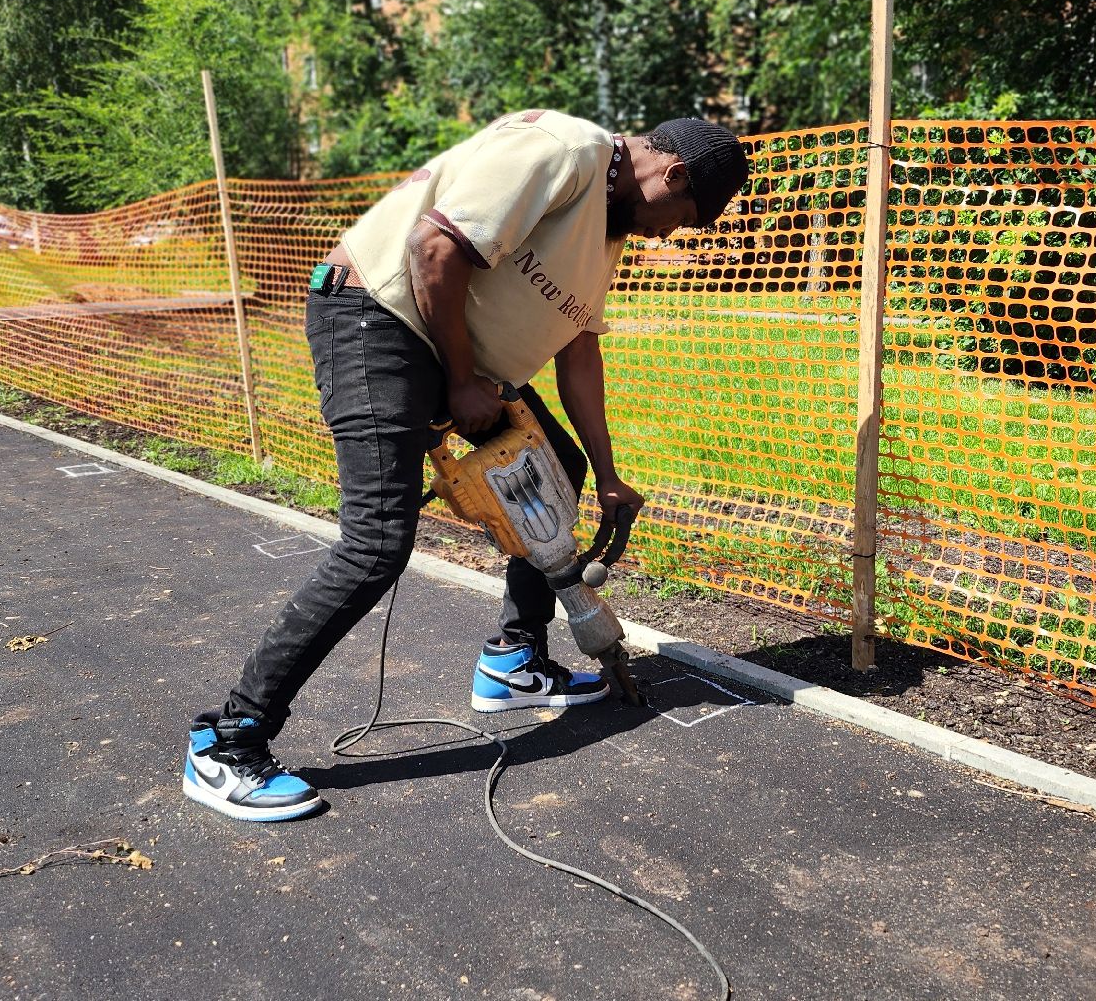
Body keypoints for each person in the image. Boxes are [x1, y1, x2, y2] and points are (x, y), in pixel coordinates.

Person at [181, 111, 749, 822]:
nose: (669, 236)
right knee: (376, 544)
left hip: (455, 352)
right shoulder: (564, 154)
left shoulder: (606, 226)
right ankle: (226, 742)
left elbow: (579, 354)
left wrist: (606, 473)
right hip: (376, 320)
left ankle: (514, 660)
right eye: (685, 218)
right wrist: (457, 384)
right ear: (671, 174)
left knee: (560, 465)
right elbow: (432, 250)